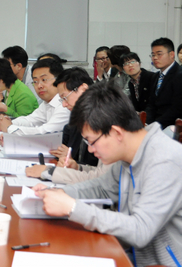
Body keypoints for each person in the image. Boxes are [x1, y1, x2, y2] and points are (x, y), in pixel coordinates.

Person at [33, 83, 182, 267]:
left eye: (91, 141)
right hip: (129, 255)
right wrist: (59, 193)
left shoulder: (165, 160)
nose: (90, 149)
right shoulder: (129, 155)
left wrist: (72, 207)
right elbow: (102, 188)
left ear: (116, 132)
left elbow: (141, 230)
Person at [25, 67, 101, 184]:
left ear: (83, 89)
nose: (64, 105)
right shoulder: (75, 123)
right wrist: (75, 166)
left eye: (65, 97)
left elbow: (103, 178)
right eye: (62, 100)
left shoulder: (103, 121)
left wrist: (50, 172)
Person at [0, 58, 69, 136]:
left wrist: (9, 127)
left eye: (44, 79)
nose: (39, 86)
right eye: (35, 81)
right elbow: (30, 120)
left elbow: (45, 132)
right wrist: (7, 122)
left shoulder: (65, 105)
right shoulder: (47, 103)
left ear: (59, 80)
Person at [145, 37, 182, 128]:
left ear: (171, 54)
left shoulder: (179, 75)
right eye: (153, 55)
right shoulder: (155, 76)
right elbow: (151, 104)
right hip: (156, 125)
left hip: (172, 126)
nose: (155, 58)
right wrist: (147, 123)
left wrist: (155, 125)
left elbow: (177, 108)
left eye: (159, 54)